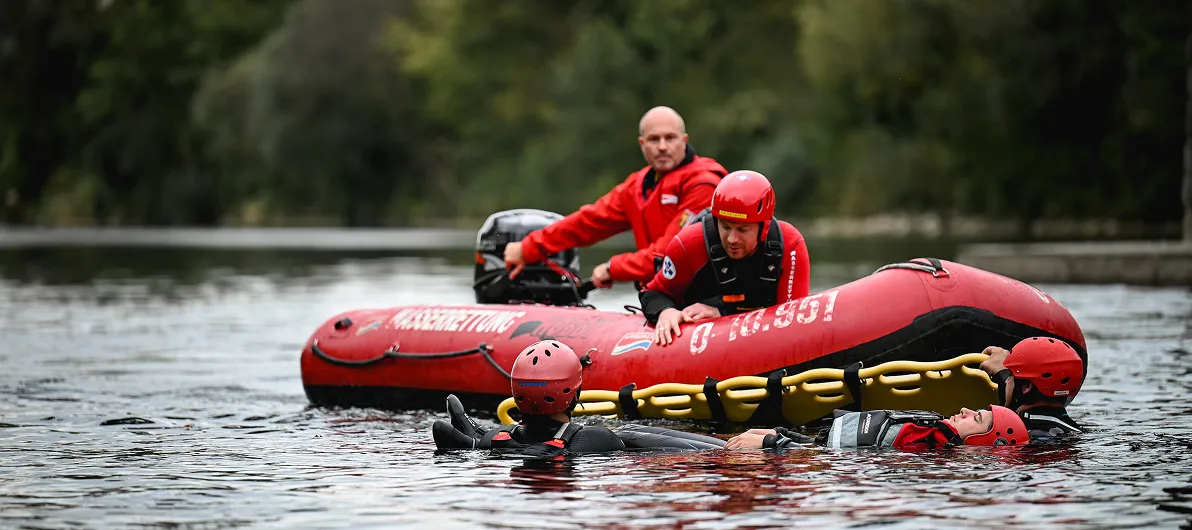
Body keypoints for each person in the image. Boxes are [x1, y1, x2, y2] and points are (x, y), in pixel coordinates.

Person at [503, 106, 728, 289]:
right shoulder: (637, 185)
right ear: (642, 144)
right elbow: (588, 222)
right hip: (661, 295)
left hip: (702, 297)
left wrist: (613, 268)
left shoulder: (704, 183)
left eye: (670, 138)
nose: (662, 147)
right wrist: (528, 247)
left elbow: (671, 253)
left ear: (684, 140)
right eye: (653, 139)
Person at [431, 340, 726, 457]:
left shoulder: (497, 437)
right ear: (575, 393)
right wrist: (727, 452)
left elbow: (500, 436)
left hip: (511, 443)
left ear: (516, 394)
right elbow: (669, 447)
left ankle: (469, 439)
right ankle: (727, 446)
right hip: (576, 448)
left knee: (491, 436)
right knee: (628, 435)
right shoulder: (598, 439)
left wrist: (480, 440)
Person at [638, 170, 810, 345]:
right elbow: (653, 293)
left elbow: (792, 321)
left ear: (764, 227)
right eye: (725, 226)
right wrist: (666, 312)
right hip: (694, 343)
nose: (732, 239)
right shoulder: (688, 243)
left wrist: (723, 312)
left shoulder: (790, 245)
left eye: (742, 230)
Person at [724, 405, 1030, 450]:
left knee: (674, 446)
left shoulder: (930, 446)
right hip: (802, 445)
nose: (964, 410)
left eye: (975, 419)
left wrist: (773, 445)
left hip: (791, 452)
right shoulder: (933, 431)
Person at [979, 336, 1085, 440]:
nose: (1006, 381)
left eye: (1010, 376)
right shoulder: (1075, 430)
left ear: (1026, 387)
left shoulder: (1022, 435)